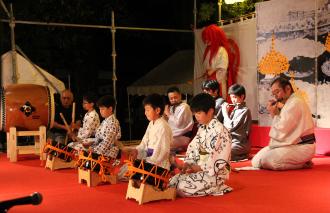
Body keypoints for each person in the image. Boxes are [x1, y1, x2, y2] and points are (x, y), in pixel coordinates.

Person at [169, 93, 232, 197]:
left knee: (182, 187)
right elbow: (193, 149)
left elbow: (217, 162)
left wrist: (196, 168)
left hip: (214, 175)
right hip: (198, 170)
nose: (196, 116)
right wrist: (188, 164)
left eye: (199, 113)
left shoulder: (221, 131)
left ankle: (216, 186)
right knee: (173, 181)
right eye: (195, 113)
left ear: (211, 111)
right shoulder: (202, 128)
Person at [251, 77, 315, 170]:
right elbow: (284, 128)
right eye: (274, 94)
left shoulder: (295, 102)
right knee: (256, 161)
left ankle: (303, 164)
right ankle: (300, 161)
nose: (276, 96)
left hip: (302, 146)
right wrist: (276, 114)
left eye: (277, 92)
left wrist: (274, 114)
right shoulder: (289, 103)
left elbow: (282, 130)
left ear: (288, 88)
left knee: (268, 161)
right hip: (290, 145)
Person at [124, 93, 172, 170]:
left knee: (131, 172)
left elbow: (162, 151)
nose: (145, 113)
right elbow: (144, 142)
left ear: (157, 110)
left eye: (148, 110)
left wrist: (146, 161)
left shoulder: (163, 126)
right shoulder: (151, 123)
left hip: (159, 166)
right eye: (145, 110)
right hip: (149, 160)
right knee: (125, 169)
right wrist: (137, 150)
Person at [82, 95, 121, 159]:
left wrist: (94, 151)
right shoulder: (105, 121)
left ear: (110, 109)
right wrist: (91, 143)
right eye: (100, 109)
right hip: (101, 149)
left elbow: (107, 143)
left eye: (102, 109)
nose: (100, 111)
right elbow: (100, 139)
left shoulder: (113, 123)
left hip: (108, 153)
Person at [202, 24, 235, 99]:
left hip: (217, 80)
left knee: (217, 99)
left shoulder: (221, 50)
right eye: (206, 38)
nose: (206, 41)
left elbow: (223, 66)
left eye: (208, 38)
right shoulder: (209, 50)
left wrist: (213, 71)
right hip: (210, 80)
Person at [222, 84, 252, 161]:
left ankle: (243, 156)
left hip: (239, 143)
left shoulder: (245, 110)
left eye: (234, 97)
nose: (232, 100)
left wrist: (225, 113)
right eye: (231, 97)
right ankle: (241, 156)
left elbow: (230, 127)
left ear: (242, 97)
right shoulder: (235, 109)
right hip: (231, 141)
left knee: (222, 153)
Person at [164, 87, 193, 152]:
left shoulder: (185, 107)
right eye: (171, 98)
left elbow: (178, 124)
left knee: (161, 143)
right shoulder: (171, 108)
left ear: (180, 95)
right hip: (175, 137)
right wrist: (165, 116)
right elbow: (169, 124)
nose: (173, 100)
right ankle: (150, 159)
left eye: (175, 97)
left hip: (183, 137)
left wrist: (168, 114)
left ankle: (152, 159)